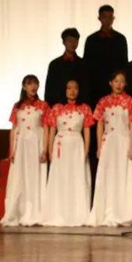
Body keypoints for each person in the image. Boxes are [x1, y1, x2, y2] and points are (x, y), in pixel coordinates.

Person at [87, 71, 132, 226]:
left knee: (123, 175)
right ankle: (106, 211)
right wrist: (99, 146)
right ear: (110, 83)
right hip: (108, 142)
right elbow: (99, 124)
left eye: (122, 81)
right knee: (108, 175)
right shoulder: (103, 101)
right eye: (116, 81)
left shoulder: (130, 101)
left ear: (125, 84)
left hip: (123, 141)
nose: (119, 84)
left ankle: (123, 212)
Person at [40, 79, 93, 226]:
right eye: (69, 88)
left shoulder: (84, 108)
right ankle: (59, 212)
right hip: (60, 145)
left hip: (77, 145)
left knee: (77, 176)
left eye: (75, 88)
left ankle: (77, 213)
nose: (72, 91)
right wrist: (50, 149)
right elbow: (52, 130)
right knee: (60, 177)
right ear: (64, 90)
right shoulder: (56, 108)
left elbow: (87, 130)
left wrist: (86, 150)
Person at [1, 75, 49, 226]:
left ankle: (35, 211)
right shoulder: (17, 106)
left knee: (35, 175)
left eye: (35, 83)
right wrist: (12, 150)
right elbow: (13, 129)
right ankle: (19, 211)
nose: (33, 87)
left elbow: (46, 128)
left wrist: (45, 149)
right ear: (24, 87)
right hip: (21, 145)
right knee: (19, 176)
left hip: (36, 143)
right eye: (29, 84)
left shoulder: (43, 105)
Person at [84, 5, 129, 105]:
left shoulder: (120, 39)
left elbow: (124, 65)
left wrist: (122, 85)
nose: (107, 20)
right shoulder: (91, 39)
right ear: (99, 18)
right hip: (96, 87)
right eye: (104, 17)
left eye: (110, 17)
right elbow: (86, 66)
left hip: (116, 86)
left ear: (113, 18)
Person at [45, 28, 91, 108]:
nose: (73, 43)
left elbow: (87, 89)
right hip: (59, 108)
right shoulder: (54, 65)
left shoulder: (84, 64)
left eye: (75, 41)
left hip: (80, 108)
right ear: (63, 42)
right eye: (70, 41)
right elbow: (49, 90)